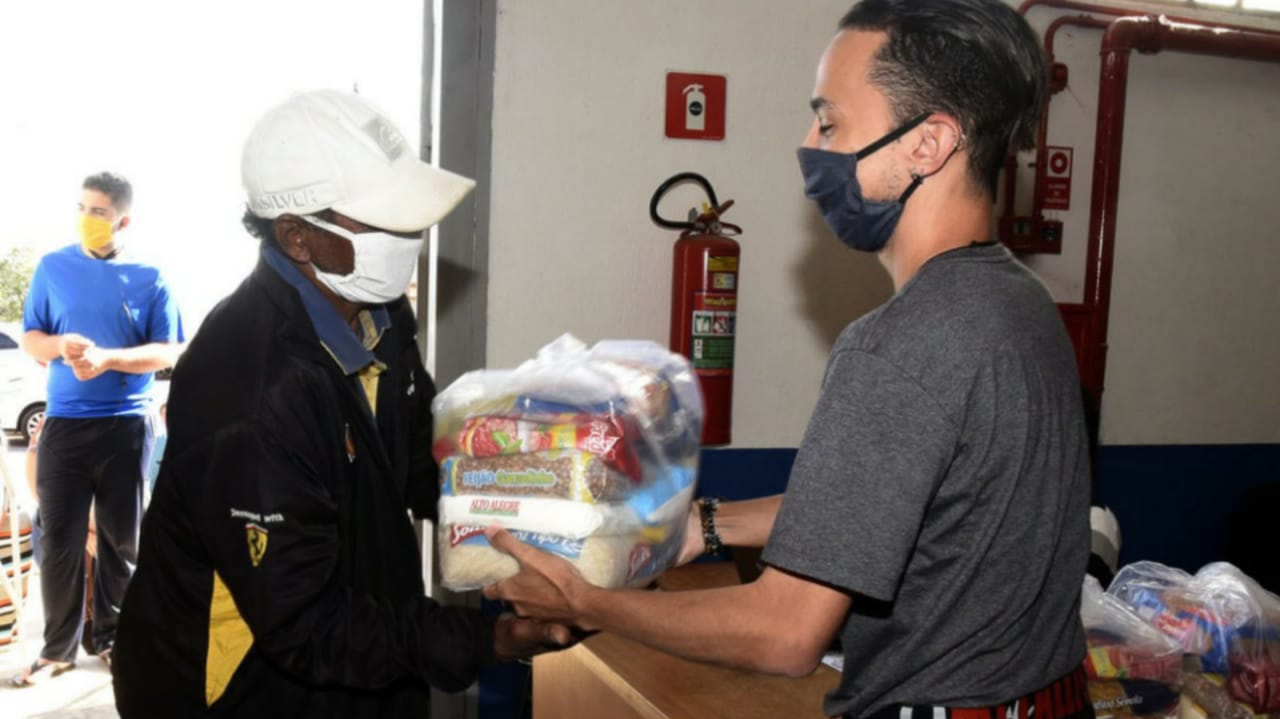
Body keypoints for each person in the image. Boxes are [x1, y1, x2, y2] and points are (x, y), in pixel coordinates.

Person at [484, 2, 1095, 718]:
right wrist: (705, 527)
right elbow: (889, 504)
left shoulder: (898, 343)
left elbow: (784, 632)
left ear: (928, 144)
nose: (808, 144)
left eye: (829, 122)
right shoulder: (1019, 303)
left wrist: (585, 599)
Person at [112, 90, 570, 718]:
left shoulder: (378, 314)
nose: (411, 235)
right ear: (299, 238)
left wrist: (531, 520)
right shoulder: (250, 389)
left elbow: (418, 459)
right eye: (383, 221)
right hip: (244, 689)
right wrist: (484, 638)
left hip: (354, 653)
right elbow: (303, 623)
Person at [13, 172, 183, 686]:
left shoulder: (151, 276)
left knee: (120, 544)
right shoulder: (52, 268)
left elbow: (169, 349)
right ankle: (57, 650)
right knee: (60, 540)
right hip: (64, 426)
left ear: (124, 219)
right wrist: (58, 346)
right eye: (82, 208)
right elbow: (31, 337)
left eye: (100, 212)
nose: (87, 219)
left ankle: (114, 641)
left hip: (125, 428)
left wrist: (110, 358)